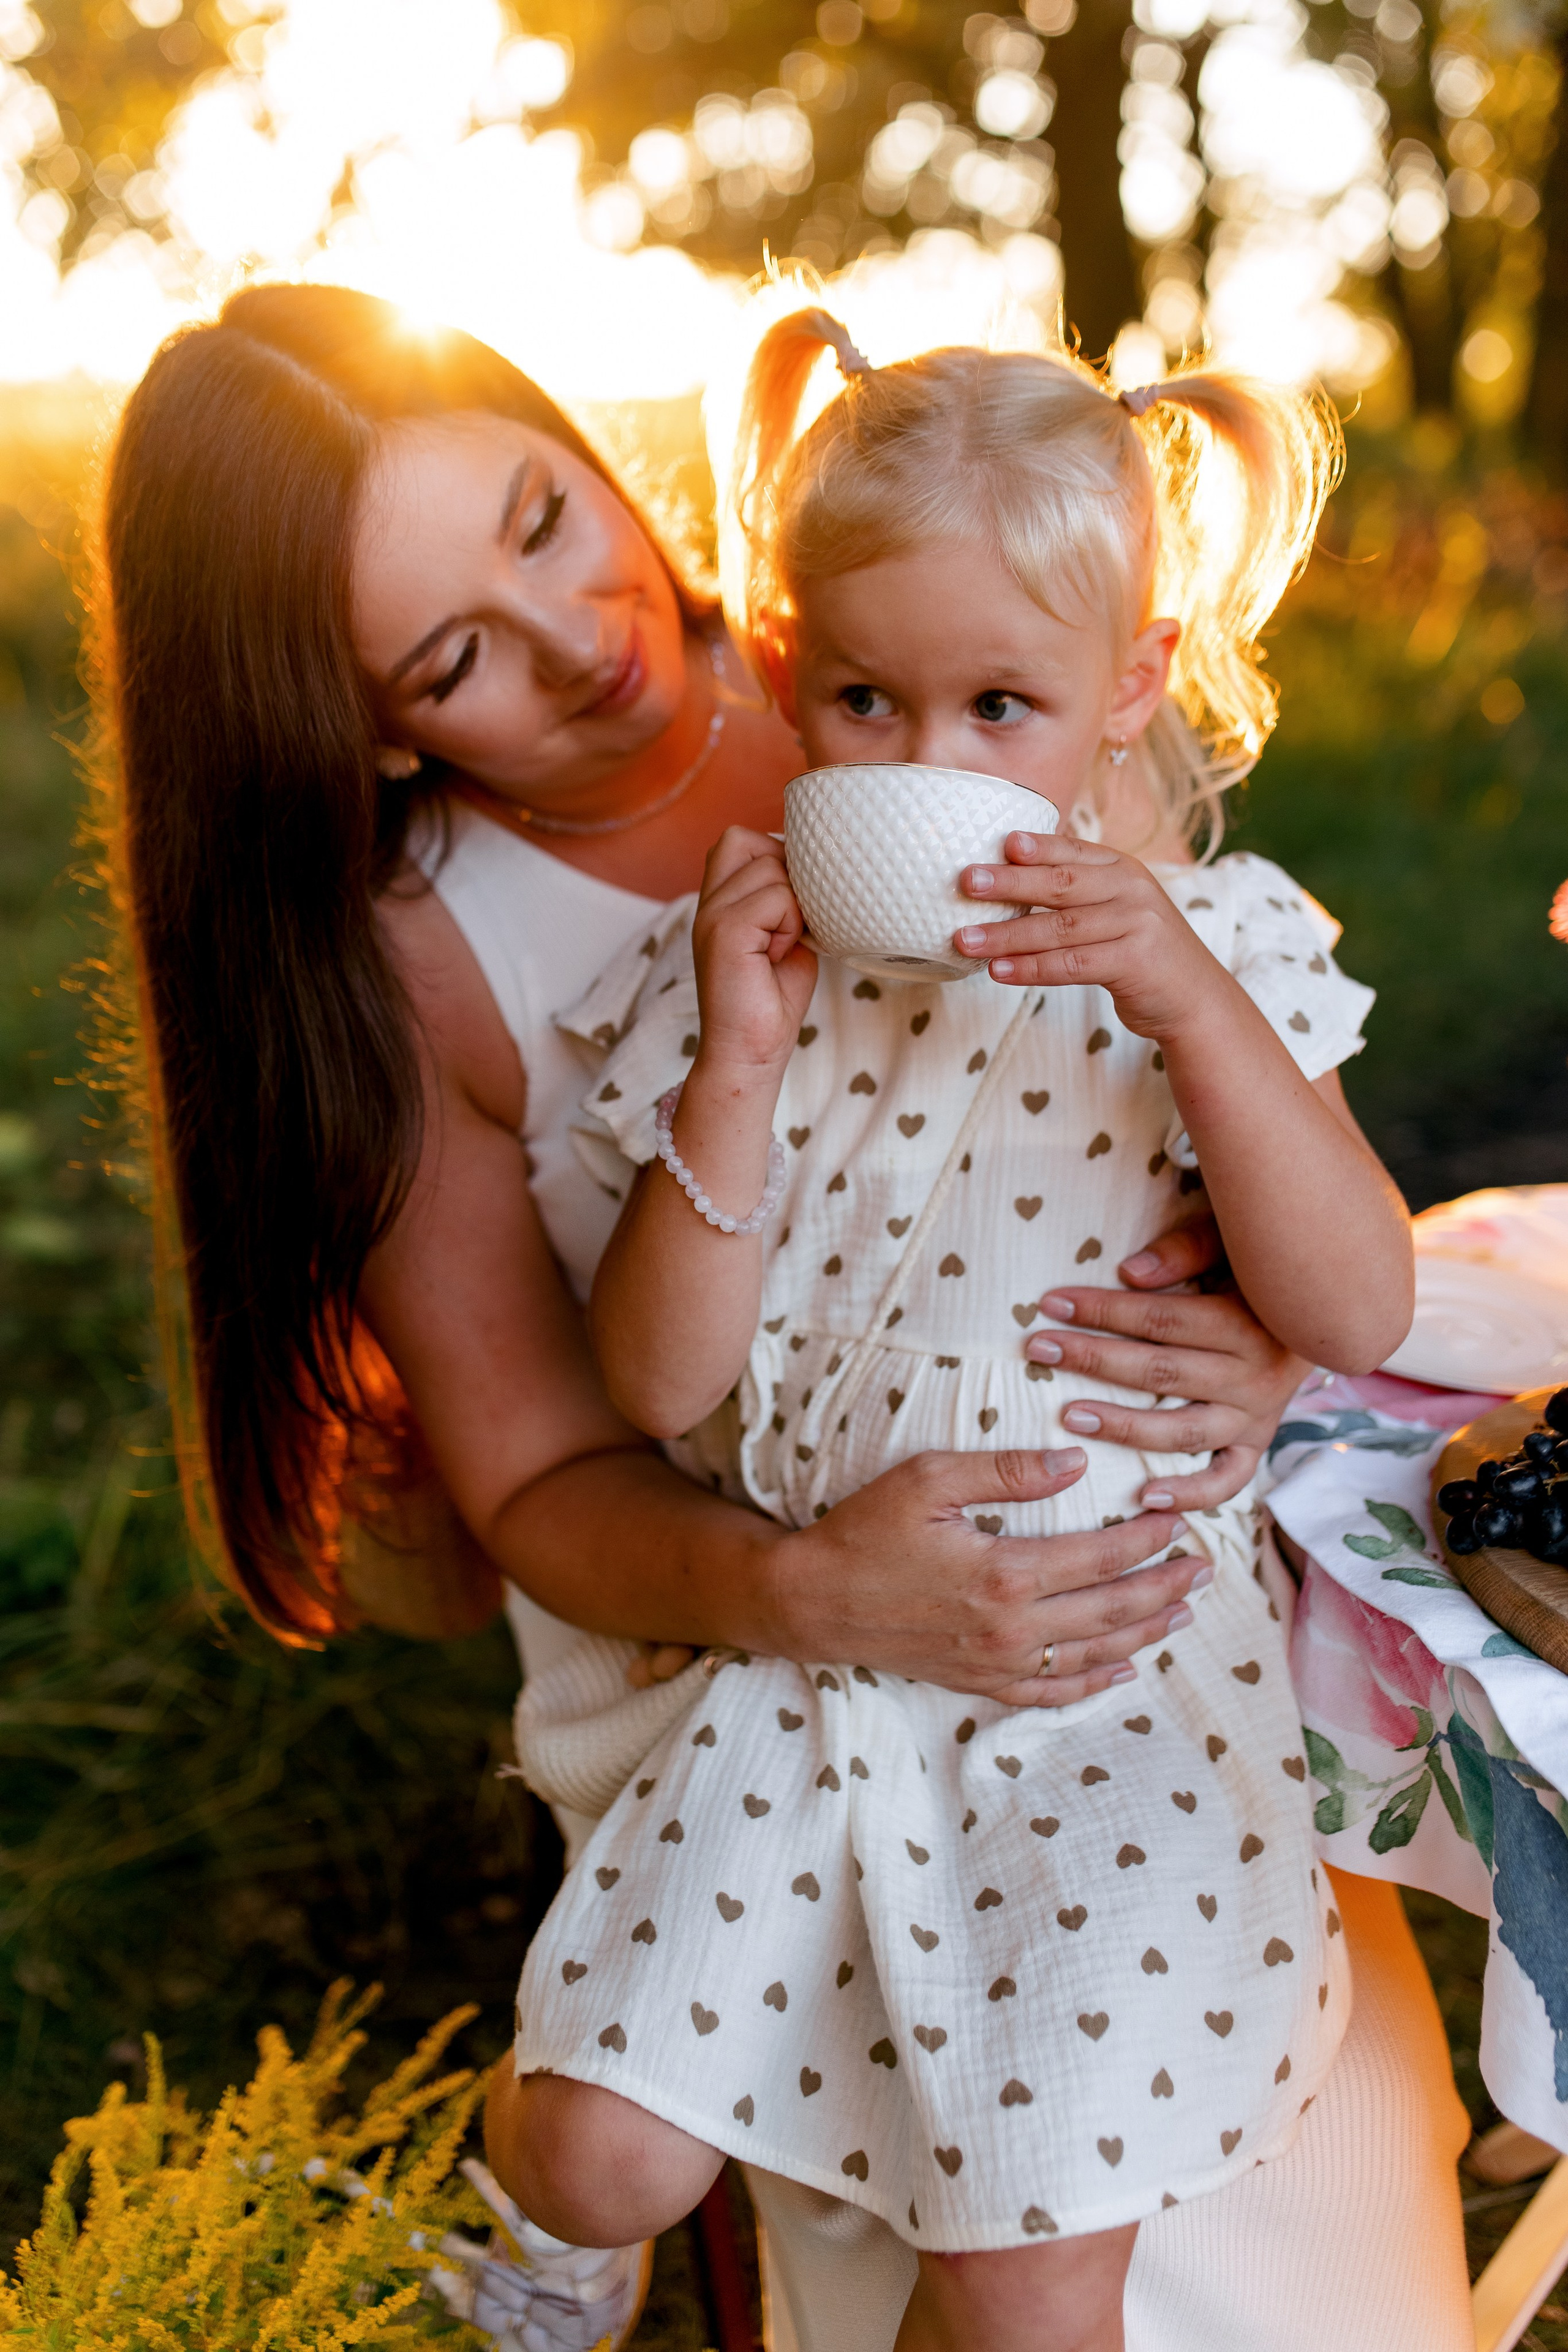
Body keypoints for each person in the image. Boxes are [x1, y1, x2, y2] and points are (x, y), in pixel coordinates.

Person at [96, 285, 1471, 2352]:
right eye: (455, 655)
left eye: (551, 517)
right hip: (737, 1606)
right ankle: (523, 2253)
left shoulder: (900, 615)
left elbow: (1293, 1237)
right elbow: (597, 1430)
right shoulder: (464, 954)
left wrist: (1256, 1326)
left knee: (1236, 2228)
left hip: (1111, 1643)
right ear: (358, 722)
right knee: (715, 2155)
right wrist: (826, 1581)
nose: (582, 638)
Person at [488, 315, 1414, 2350]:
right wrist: (732, 1066)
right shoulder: (740, 965)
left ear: (1129, 693)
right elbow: (652, 1389)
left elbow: (1354, 1305)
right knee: (598, 2152)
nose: (925, 766)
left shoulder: (1218, 946)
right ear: (779, 663)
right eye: (863, 699)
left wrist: (1184, 1000)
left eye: (1001, 704)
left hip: (1109, 1687)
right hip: (811, 1677)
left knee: (1025, 2280)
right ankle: (513, 2264)